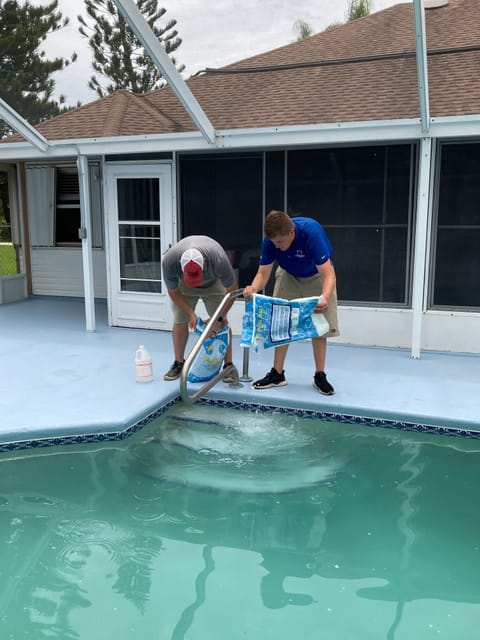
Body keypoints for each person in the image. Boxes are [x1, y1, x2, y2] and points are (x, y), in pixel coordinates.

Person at [243, 210, 339, 395]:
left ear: (291, 233)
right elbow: (263, 274)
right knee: (280, 322)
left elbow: (328, 275)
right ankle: (277, 374)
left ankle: (320, 375)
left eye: (280, 242)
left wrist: (325, 297)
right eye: (274, 243)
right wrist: (253, 288)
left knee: (319, 326)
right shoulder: (271, 240)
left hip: (316, 275)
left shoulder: (311, 233)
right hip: (288, 274)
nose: (277, 246)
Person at [162, 235, 238, 381]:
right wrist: (190, 313)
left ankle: (228, 365)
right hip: (183, 286)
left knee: (222, 324)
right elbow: (173, 291)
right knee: (179, 319)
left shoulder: (218, 258)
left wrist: (218, 318)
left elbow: (232, 290)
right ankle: (179, 363)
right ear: (180, 264)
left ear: (204, 262)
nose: (197, 281)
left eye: (197, 274)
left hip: (214, 284)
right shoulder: (169, 262)